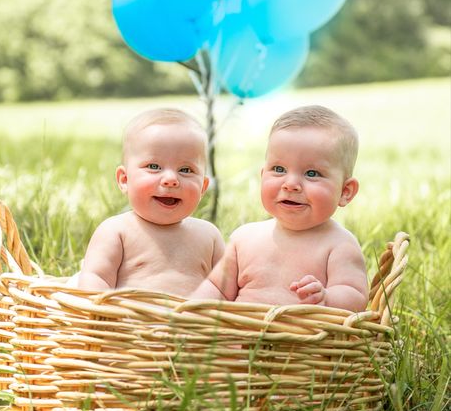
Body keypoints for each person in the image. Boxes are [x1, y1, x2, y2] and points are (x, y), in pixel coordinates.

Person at [192, 105, 368, 311]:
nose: (290, 183)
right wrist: (190, 309)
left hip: (304, 340)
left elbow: (356, 296)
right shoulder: (244, 238)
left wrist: (327, 298)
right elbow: (217, 289)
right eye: (278, 169)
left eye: (312, 173)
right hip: (237, 338)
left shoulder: (339, 245)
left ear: (345, 191)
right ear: (262, 175)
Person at [77, 108, 225, 295]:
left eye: (186, 170)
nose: (171, 179)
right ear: (125, 180)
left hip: (193, 324)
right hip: (130, 322)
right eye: (154, 167)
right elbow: (95, 280)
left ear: (203, 187)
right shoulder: (117, 231)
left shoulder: (209, 235)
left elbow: (226, 290)